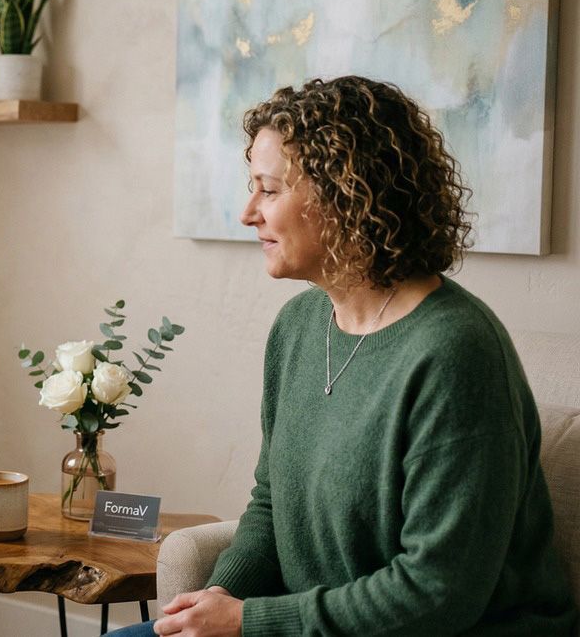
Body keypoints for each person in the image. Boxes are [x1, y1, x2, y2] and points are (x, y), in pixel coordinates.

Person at [113, 76, 577, 635]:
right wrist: (220, 595)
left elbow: (438, 593)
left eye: (269, 189)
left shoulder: (457, 354)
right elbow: (270, 503)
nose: (247, 212)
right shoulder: (300, 325)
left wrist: (250, 621)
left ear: (347, 195)